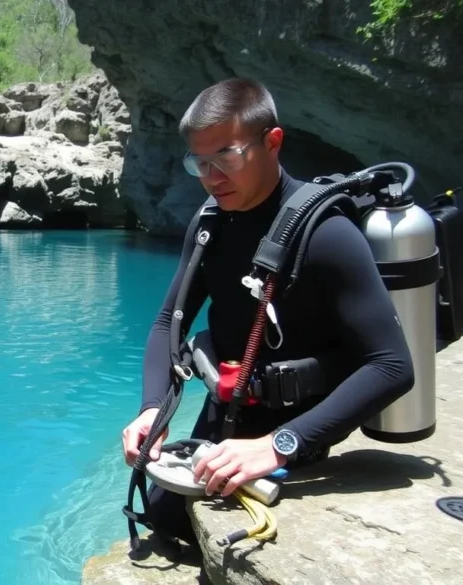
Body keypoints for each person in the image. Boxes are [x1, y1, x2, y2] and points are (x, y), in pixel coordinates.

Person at [120, 78, 415, 551]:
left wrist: (278, 444)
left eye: (226, 157)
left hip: (307, 431)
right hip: (226, 419)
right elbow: (166, 323)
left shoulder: (328, 236)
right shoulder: (210, 224)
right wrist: (151, 410)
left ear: (272, 142)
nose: (212, 177)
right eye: (200, 162)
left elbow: (393, 366)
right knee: (163, 524)